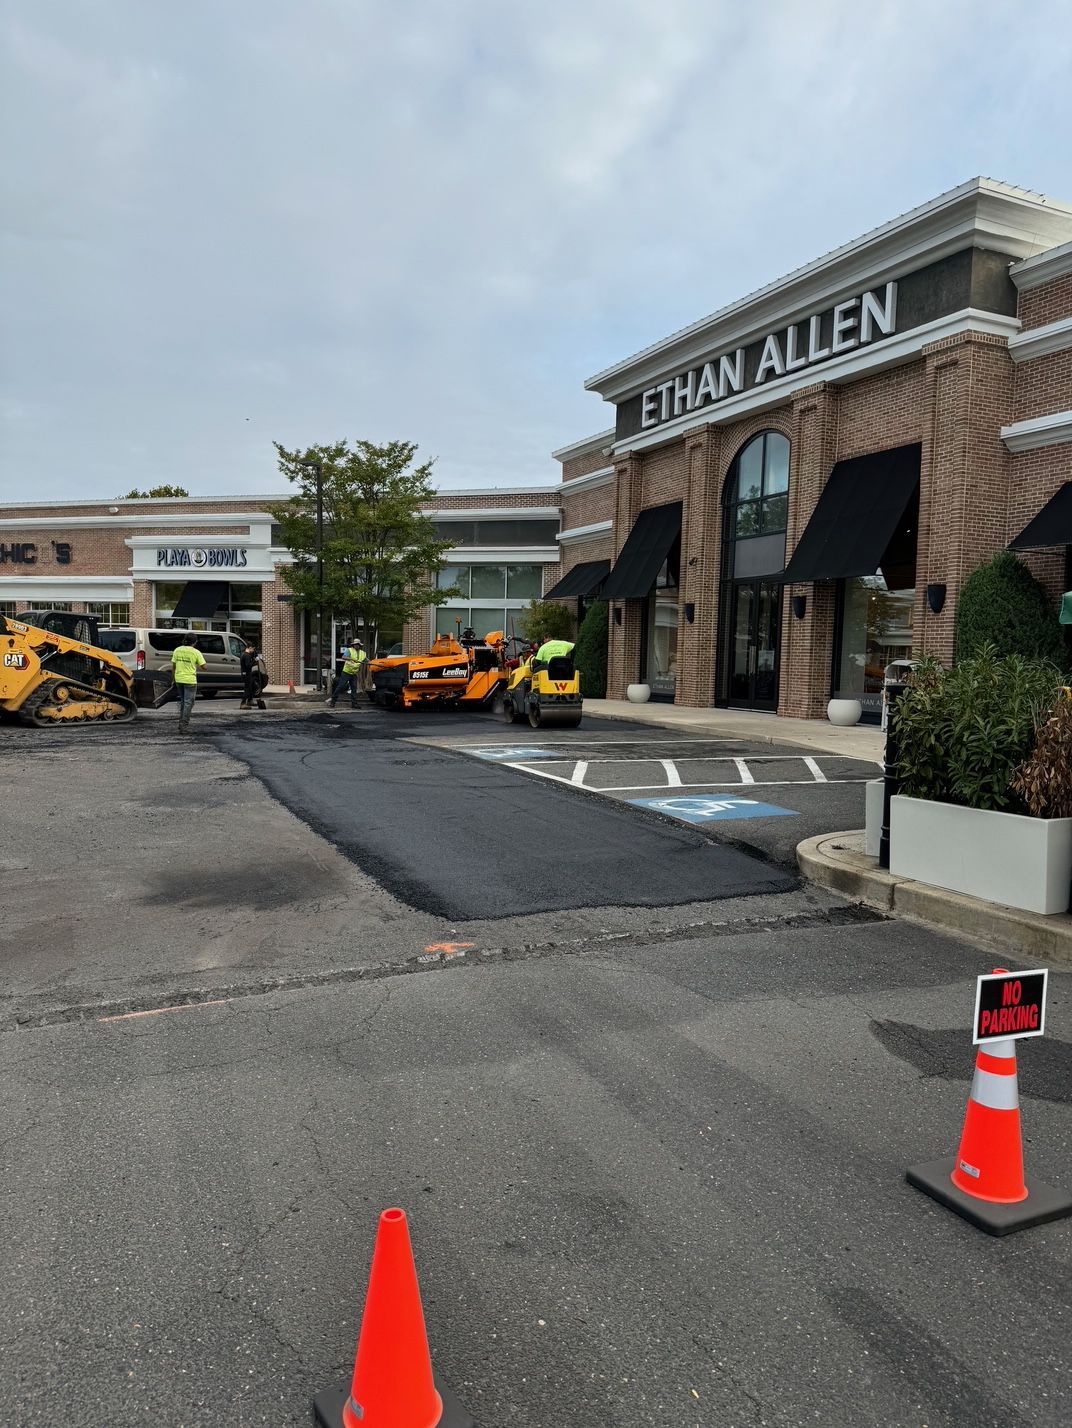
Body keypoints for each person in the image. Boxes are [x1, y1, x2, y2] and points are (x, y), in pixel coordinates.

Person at [171, 633, 205, 733]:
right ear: (195, 642)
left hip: (179, 679)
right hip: (190, 680)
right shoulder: (196, 652)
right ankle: (183, 725)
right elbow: (204, 666)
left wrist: (173, 678)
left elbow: (173, 665)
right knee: (188, 703)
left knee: (183, 701)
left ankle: (181, 722)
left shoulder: (177, 650)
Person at [329, 638, 367, 709]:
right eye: (355, 644)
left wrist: (372, 662)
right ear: (353, 645)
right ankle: (333, 701)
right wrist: (351, 659)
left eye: (358, 644)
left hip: (354, 674)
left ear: (360, 645)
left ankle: (354, 704)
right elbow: (343, 657)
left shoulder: (362, 653)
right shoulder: (349, 650)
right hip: (346, 672)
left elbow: (366, 660)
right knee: (340, 687)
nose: (356, 646)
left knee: (354, 688)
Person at [240, 640, 267, 711]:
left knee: (251, 686)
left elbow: (252, 658)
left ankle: (249, 700)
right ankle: (243, 703)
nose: (253, 650)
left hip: (247, 673)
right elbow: (248, 665)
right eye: (252, 649)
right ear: (249, 648)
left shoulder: (246, 655)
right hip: (246, 674)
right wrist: (254, 661)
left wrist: (255, 656)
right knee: (247, 689)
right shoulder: (246, 656)